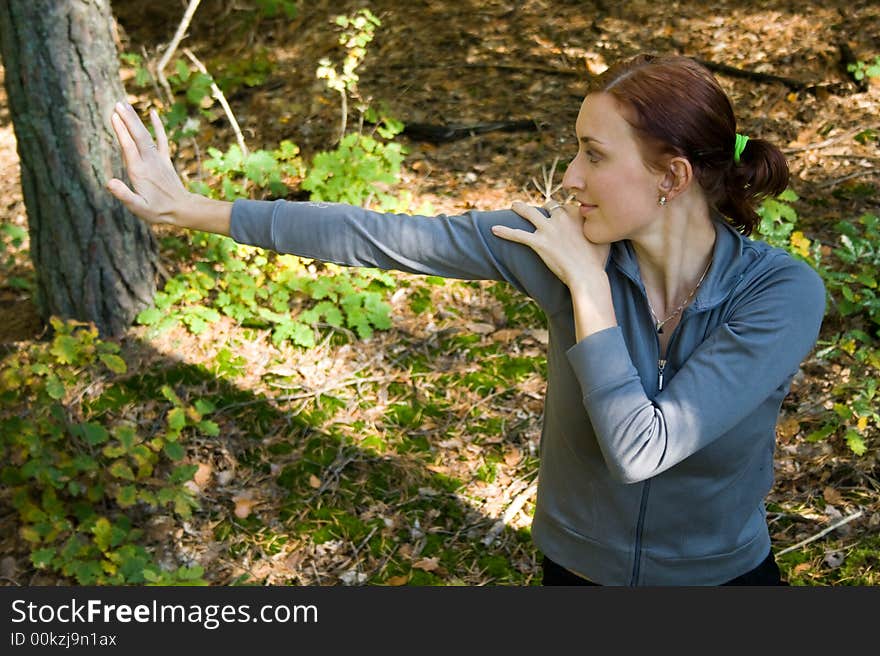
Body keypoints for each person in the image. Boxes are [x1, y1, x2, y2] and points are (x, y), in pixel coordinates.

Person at [107, 53, 826, 586]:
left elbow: (644, 448)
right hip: (577, 571)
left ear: (671, 176)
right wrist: (191, 210)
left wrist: (587, 287)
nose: (569, 177)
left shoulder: (779, 294)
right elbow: (379, 234)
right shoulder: (560, 239)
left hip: (722, 579)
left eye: (593, 154)